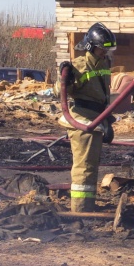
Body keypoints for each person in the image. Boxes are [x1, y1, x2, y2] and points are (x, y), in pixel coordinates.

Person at [55, 22, 117, 212]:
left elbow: (102, 93)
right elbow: (61, 90)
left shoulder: (103, 63)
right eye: (101, 49)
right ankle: (81, 209)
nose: (104, 53)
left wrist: (107, 121)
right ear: (91, 46)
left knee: (92, 166)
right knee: (84, 167)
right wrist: (65, 75)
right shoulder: (81, 65)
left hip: (97, 118)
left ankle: (87, 205)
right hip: (83, 119)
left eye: (107, 49)